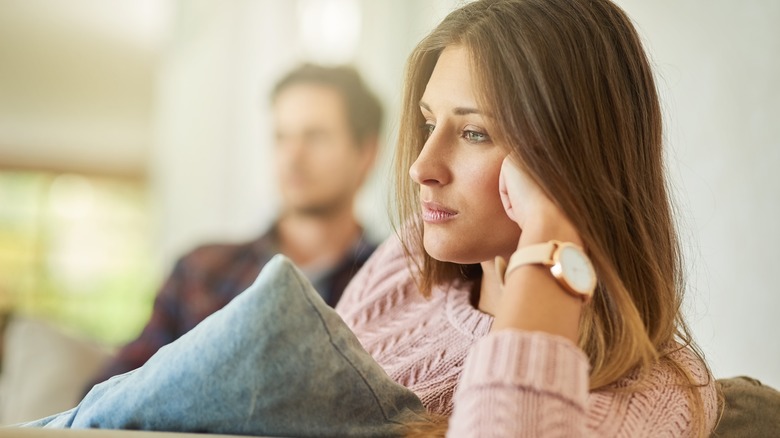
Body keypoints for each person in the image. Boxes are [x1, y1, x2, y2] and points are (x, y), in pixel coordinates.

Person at [333, 0, 719, 435]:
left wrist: (551, 235)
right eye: (428, 124)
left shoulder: (656, 393)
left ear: (571, 157)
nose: (421, 167)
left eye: (474, 133)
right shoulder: (407, 267)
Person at [88, 63, 383, 387]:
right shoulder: (201, 271)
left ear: (366, 153)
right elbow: (109, 394)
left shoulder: (396, 283)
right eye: (281, 137)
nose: (292, 156)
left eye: (315, 137)